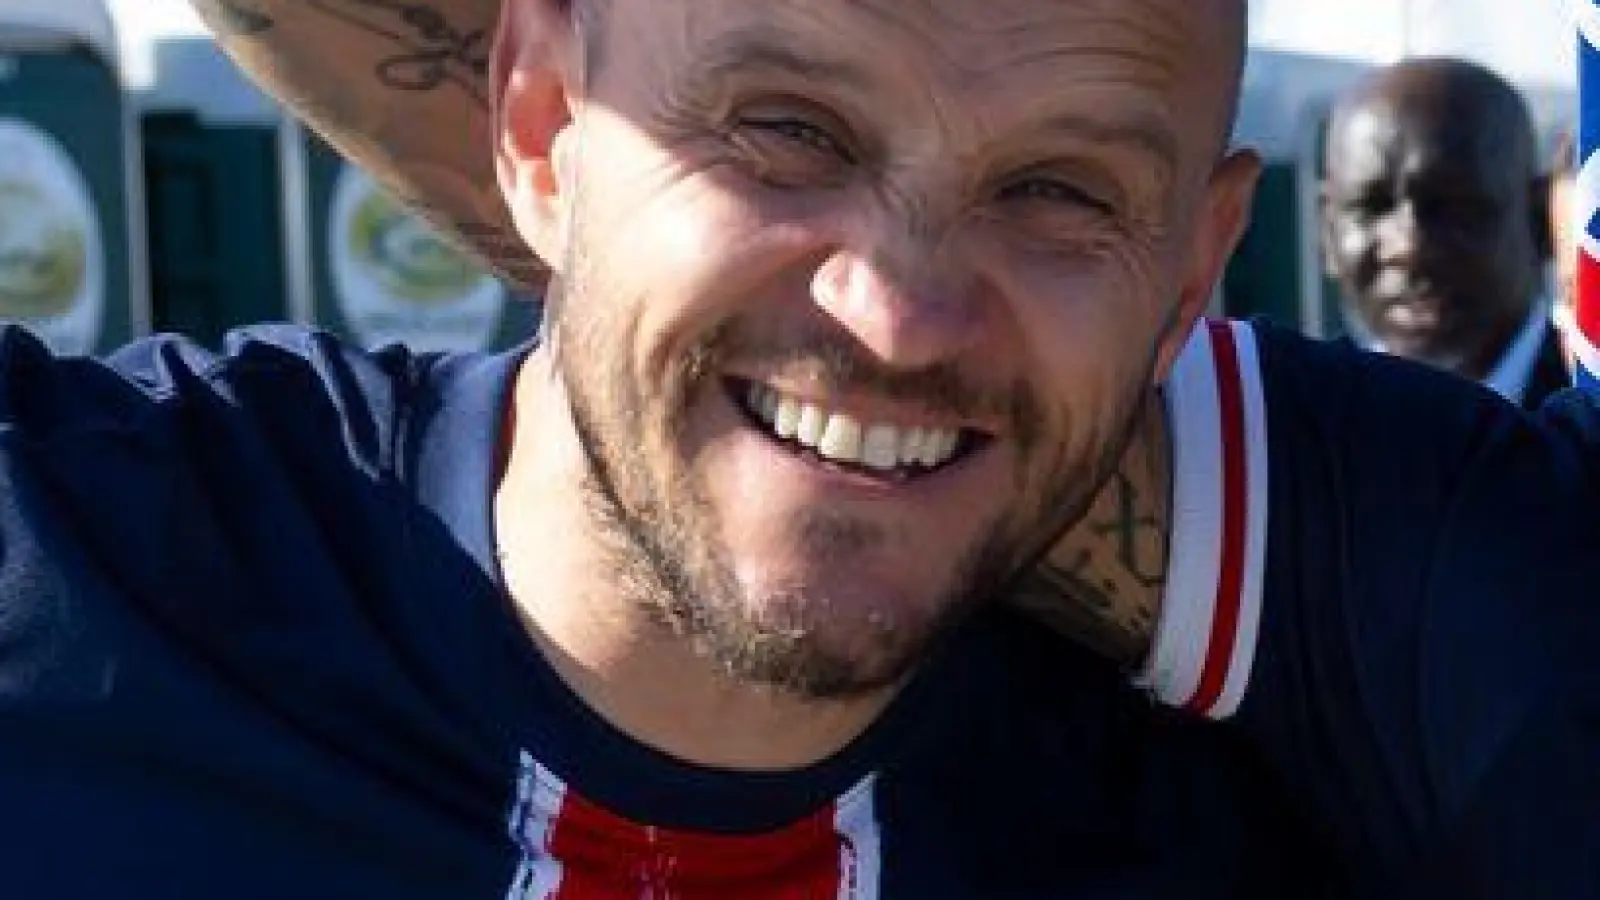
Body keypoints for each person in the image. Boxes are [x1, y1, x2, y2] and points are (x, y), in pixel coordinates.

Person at [0, 1, 1598, 898]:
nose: (898, 312)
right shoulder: (72, 579)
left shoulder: (1359, 714)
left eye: (1059, 191)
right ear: (539, 128)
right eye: (788, 132)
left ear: (1194, 274)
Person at [1319, 58, 1569, 409]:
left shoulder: (1586, 417)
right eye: (1372, 208)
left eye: (1454, 206)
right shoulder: (1295, 427)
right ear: (1328, 231)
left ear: (1540, 220)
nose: (1408, 247)